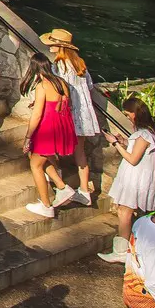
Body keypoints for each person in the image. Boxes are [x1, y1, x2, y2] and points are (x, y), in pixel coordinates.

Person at [42, 28, 100, 208]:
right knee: (80, 152)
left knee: (51, 146)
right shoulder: (80, 65)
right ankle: (84, 190)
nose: (49, 46)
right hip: (84, 115)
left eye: (52, 43)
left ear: (59, 46)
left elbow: (57, 90)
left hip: (68, 113)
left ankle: (58, 182)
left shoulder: (58, 66)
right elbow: (89, 86)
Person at [100, 96, 155, 263]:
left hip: (135, 180)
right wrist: (124, 141)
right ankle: (128, 248)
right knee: (124, 211)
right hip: (136, 177)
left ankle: (121, 252)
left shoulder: (144, 134)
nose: (127, 117)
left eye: (128, 114)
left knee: (124, 212)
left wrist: (115, 143)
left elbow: (133, 158)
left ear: (135, 114)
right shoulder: (148, 132)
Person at [23, 60, 79, 219]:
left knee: (35, 164)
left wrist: (28, 137)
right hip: (61, 127)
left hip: (47, 129)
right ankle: (61, 187)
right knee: (41, 158)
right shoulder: (62, 82)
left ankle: (46, 205)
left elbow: (37, 114)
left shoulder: (42, 86)